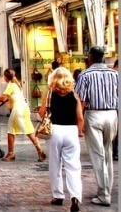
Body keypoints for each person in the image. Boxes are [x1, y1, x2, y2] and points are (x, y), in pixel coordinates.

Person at [75, 46, 118, 207]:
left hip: (94, 114)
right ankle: (105, 190)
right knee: (107, 152)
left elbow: (81, 100)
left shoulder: (85, 74)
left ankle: (104, 194)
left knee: (97, 155)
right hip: (112, 114)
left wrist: (79, 122)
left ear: (90, 57)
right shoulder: (114, 74)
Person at [39, 67, 83, 212]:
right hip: (71, 130)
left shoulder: (50, 94)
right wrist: (80, 132)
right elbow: (80, 118)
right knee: (73, 166)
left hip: (55, 130)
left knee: (55, 164)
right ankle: (75, 196)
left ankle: (58, 195)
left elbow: (41, 113)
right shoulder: (74, 95)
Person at [0, 68, 46, 162]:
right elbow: (11, 97)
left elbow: (3, 97)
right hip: (24, 108)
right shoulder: (18, 85)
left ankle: (11, 154)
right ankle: (40, 151)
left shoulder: (11, 85)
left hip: (17, 110)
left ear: (5, 77)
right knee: (29, 131)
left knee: (10, 131)